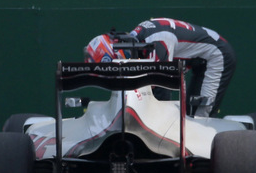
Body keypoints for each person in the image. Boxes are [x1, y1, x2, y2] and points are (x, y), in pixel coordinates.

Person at [84, 18, 235, 117]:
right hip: (199, 60)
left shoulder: (157, 40)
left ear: (116, 56)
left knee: (199, 118)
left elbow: (162, 88)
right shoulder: (140, 39)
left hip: (216, 56)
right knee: (189, 115)